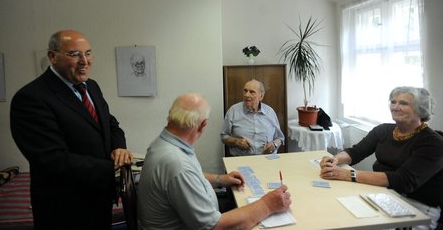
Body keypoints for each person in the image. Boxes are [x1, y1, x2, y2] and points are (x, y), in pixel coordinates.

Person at [10, 30, 133, 230]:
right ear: (52, 57)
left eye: (88, 53)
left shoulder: (91, 86)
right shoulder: (31, 98)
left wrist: (119, 147)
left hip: (99, 199)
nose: (85, 61)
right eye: (75, 54)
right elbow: (53, 159)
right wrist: (112, 169)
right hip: (65, 208)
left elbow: (110, 124)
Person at [137, 93, 291, 230]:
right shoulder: (177, 164)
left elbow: (190, 176)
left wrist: (219, 179)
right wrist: (267, 205)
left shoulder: (165, 144)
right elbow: (214, 226)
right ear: (203, 125)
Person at [319, 86, 443, 229]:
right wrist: (335, 159)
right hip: (383, 194)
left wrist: (349, 175)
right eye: (393, 102)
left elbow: (403, 181)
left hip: (417, 208)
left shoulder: (433, 143)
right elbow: (356, 152)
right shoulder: (383, 130)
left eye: (403, 103)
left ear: (421, 109)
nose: (395, 107)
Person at [221, 79, 285, 156]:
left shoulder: (270, 112)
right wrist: (236, 142)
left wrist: (274, 145)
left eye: (252, 92)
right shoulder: (233, 111)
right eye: (245, 91)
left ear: (261, 96)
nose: (246, 95)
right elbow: (224, 136)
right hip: (242, 159)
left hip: (267, 159)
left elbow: (280, 138)